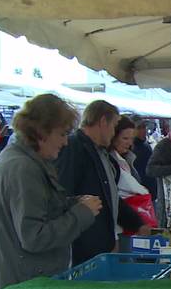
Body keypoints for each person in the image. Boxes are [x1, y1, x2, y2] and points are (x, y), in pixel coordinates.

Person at [0, 94, 102, 289]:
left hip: (20, 281)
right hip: (24, 287)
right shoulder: (23, 168)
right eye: (62, 134)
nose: (66, 142)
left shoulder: (22, 160)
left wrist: (73, 203)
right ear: (42, 132)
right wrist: (82, 213)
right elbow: (35, 237)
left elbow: (39, 207)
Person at [56, 100, 148, 265]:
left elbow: (109, 197)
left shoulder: (101, 153)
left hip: (100, 245)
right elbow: (63, 195)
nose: (114, 132)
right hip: (83, 247)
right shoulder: (74, 148)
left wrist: (136, 223)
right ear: (103, 122)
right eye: (113, 126)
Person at [110, 116, 155, 250]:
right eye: (125, 138)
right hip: (121, 225)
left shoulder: (126, 159)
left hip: (131, 222)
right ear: (113, 136)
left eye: (131, 139)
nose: (129, 143)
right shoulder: (110, 162)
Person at [132, 120, 157, 200]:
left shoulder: (145, 145)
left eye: (144, 127)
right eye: (139, 128)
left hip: (150, 191)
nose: (143, 130)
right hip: (139, 193)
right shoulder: (130, 148)